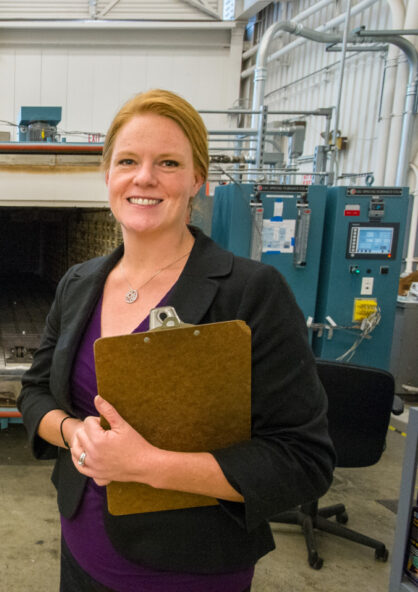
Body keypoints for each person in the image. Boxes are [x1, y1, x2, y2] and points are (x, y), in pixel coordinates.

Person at [17, 89, 335, 591]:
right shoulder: (79, 284)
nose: (144, 178)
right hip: (81, 551)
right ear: (108, 176)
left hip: (189, 568)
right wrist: (75, 434)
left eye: (168, 162)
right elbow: (34, 393)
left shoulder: (249, 293)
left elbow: (302, 459)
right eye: (128, 161)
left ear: (197, 180)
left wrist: (148, 466)